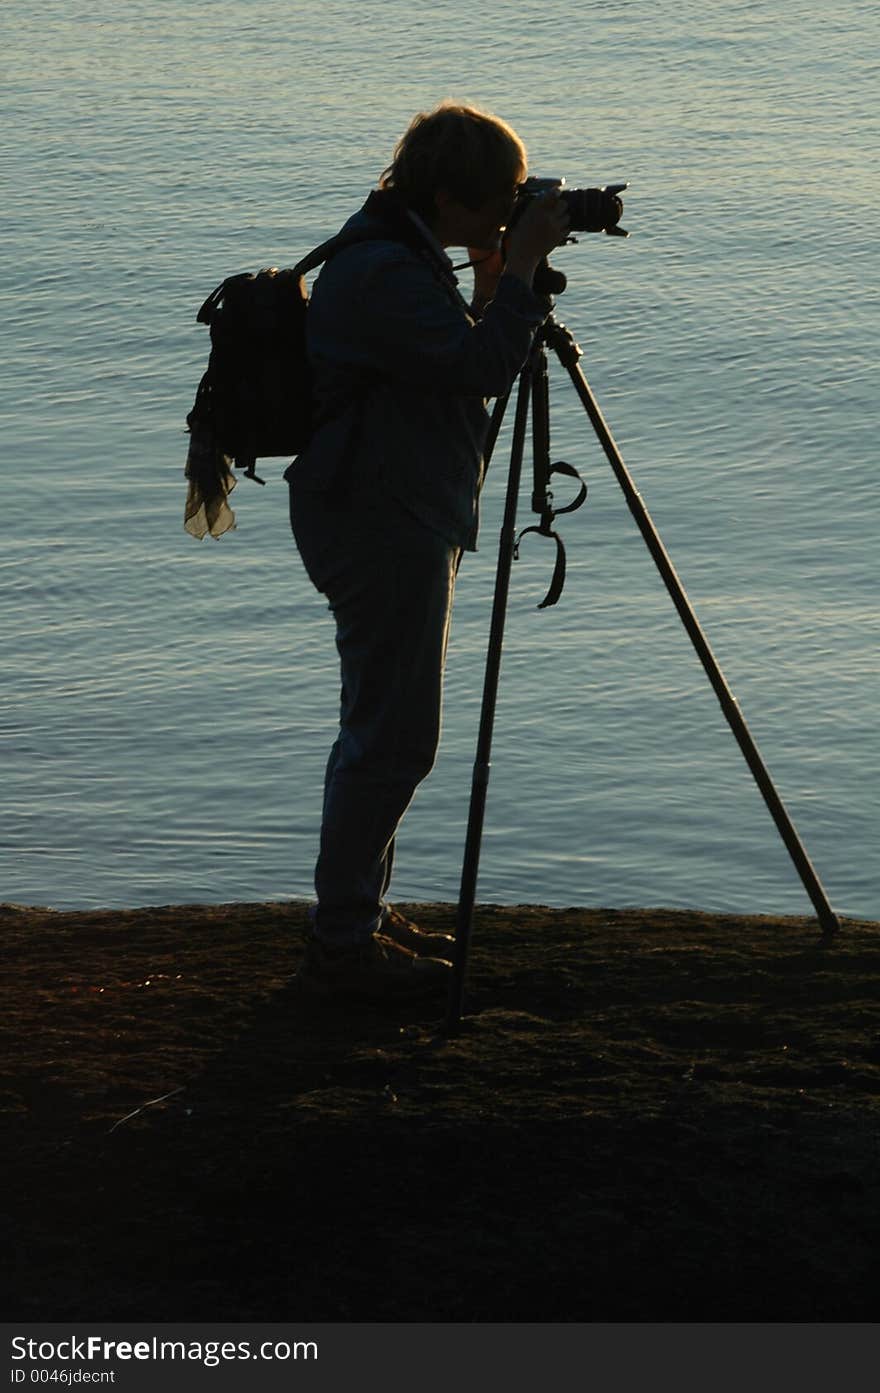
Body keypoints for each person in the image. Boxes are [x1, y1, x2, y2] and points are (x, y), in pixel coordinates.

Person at [288, 101, 570, 999]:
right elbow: (482, 368)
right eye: (494, 204)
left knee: (382, 725)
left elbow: (464, 350)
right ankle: (342, 943)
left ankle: (357, 913)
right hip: (379, 518)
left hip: (396, 509)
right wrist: (520, 266)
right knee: (394, 736)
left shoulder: (404, 250)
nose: (503, 215)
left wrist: (501, 268)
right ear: (447, 196)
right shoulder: (382, 273)